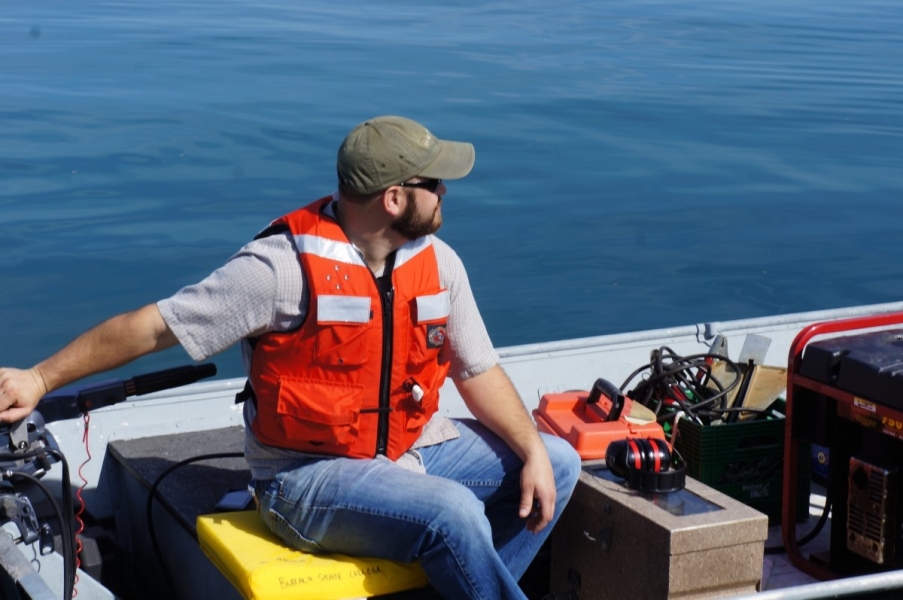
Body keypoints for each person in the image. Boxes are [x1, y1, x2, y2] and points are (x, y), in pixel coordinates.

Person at [0, 116, 581, 599]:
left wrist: (529, 448)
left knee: (556, 460)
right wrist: (39, 377)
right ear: (395, 197)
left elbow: (478, 369)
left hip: (412, 452)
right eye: (435, 183)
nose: (446, 193)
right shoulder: (281, 270)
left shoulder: (438, 263)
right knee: (452, 512)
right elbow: (154, 327)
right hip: (305, 482)